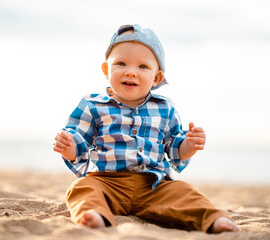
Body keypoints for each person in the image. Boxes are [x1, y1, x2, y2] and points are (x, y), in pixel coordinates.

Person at [53, 24, 240, 233]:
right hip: (107, 183)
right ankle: (95, 215)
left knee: (183, 191)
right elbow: (78, 140)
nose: (131, 72)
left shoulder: (164, 108)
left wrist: (189, 144)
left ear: (156, 78)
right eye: (121, 63)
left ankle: (213, 220)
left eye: (143, 67)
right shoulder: (93, 104)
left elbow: (174, 148)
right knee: (82, 188)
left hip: (154, 187)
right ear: (107, 70)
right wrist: (68, 146)